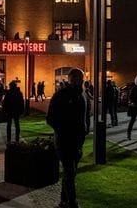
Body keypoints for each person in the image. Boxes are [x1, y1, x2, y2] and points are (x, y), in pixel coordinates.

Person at [46, 68, 88, 208]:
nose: (77, 81)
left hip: (78, 142)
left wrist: (84, 130)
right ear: (69, 79)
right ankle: (72, 203)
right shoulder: (61, 95)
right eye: (74, 78)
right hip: (64, 141)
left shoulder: (82, 96)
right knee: (70, 172)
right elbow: (50, 118)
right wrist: (63, 130)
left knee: (71, 173)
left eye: (79, 78)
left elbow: (83, 117)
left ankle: (63, 200)